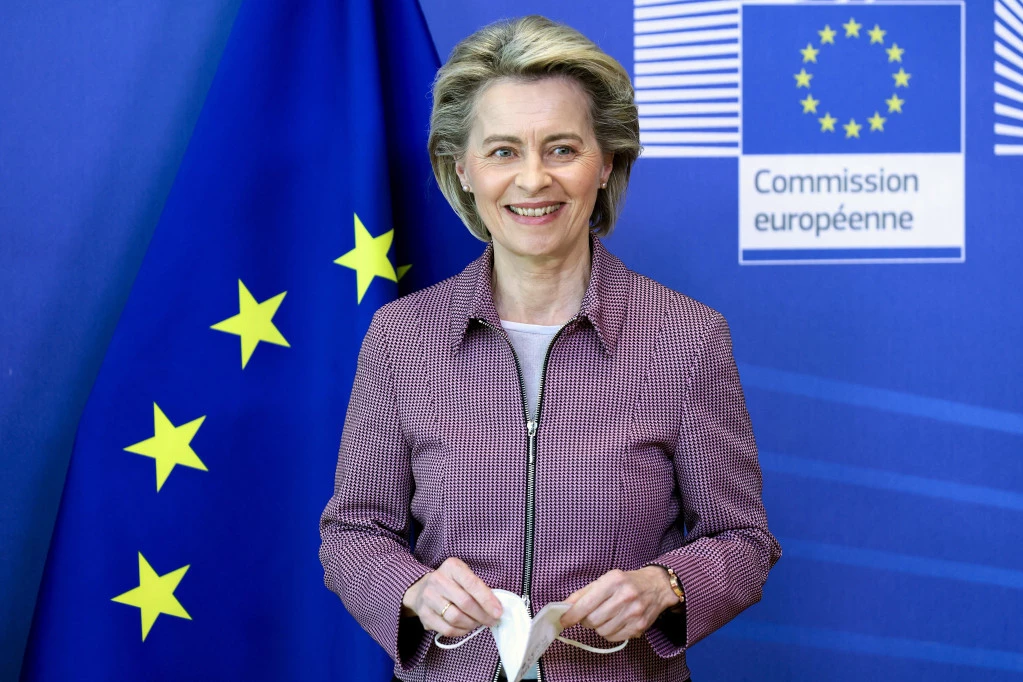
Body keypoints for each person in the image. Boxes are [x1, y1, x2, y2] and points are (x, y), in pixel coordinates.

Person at [320, 15, 781, 682]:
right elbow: (353, 532)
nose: (533, 179)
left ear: (606, 162)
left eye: (561, 149)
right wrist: (412, 591)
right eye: (503, 151)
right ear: (463, 169)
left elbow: (743, 542)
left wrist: (666, 584)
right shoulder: (402, 338)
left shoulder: (686, 338)